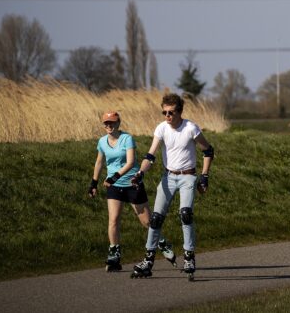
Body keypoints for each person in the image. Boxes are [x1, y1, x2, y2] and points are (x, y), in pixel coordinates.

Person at [130, 93, 214, 279]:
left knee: (185, 214)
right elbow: (150, 156)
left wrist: (204, 176)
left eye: (171, 112)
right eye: (164, 112)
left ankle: (189, 258)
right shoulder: (161, 128)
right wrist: (140, 173)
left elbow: (208, 150)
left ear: (179, 112)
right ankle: (148, 261)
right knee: (156, 219)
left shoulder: (191, 128)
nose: (167, 116)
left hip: (187, 177)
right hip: (168, 177)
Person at [89, 111, 176, 272]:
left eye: (112, 123)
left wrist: (114, 177)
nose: (109, 126)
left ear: (118, 124)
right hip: (114, 186)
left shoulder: (127, 139)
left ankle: (162, 242)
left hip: (132, 183)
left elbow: (130, 162)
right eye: (106, 123)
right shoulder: (102, 142)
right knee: (113, 220)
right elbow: (99, 162)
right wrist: (93, 183)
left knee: (146, 222)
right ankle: (114, 253)